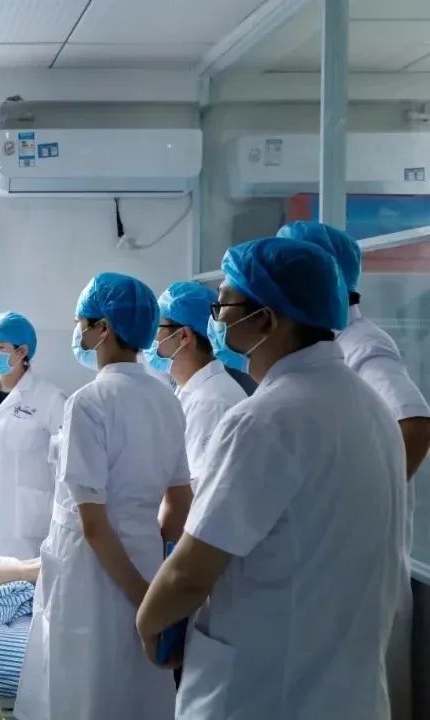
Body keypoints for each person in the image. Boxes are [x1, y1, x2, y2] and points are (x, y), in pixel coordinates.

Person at [136, 237, 405, 719]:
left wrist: (148, 622)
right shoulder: (371, 408)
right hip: (347, 694)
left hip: (263, 691)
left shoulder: (264, 420)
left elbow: (189, 573)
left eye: (225, 305)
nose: (216, 319)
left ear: (266, 319)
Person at [15, 272, 193, 720]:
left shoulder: (89, 402)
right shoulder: (167, 400)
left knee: (85, 689)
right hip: (144, 559)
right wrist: (153, 588)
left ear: (104, 328)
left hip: (92, 574)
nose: (79, 332)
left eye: (82, 322)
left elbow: (93, 524)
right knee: (136, 688)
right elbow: (179, 503)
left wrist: (141, 599)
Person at [279, 220, 430, 718]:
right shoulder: (325, 346)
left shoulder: (362, 344)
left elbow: (415, 423)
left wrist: (356, 507)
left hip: (361, 576)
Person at [0, 312, 66, 559]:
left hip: (25, 517)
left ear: (22, 351)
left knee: (23, 577)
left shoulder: (50, 398)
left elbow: (68, 457)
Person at [144, 281, 247, 489]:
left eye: (156, 328)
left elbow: (196, 491)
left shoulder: (211, 402)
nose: (149, 339)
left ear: (183, 336)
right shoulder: (191, 392)